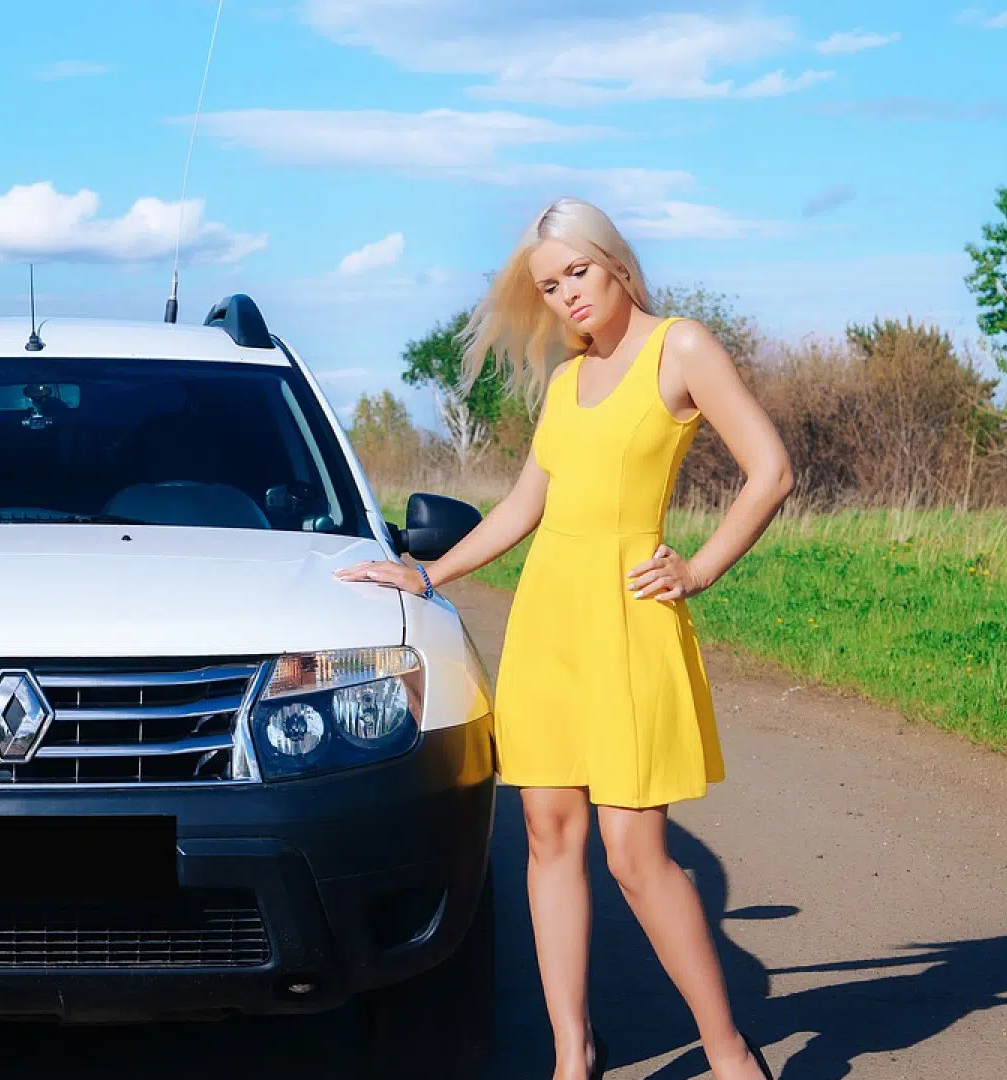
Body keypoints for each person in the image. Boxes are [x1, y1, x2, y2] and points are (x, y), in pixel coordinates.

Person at [335, 196, 793, 1080]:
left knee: (635, 856)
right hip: (548, 623)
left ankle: (729, 1052)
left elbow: (770, 471)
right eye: (549, 287)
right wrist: (426, 574)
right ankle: (571, 1055)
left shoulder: (681, 347)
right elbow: (523, 505)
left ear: (614, 261)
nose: (567, 295)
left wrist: (700, 569)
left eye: (577, 272)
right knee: (547, 834)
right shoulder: (565, 380)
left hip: (629, 622)